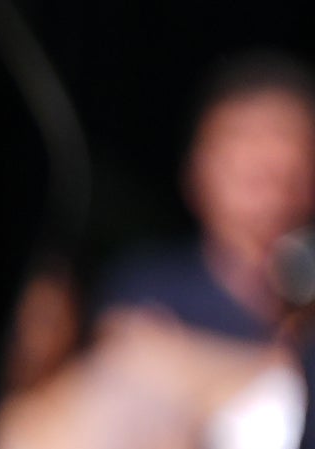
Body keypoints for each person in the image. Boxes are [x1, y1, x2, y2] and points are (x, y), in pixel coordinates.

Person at [100, 53, 315, 351]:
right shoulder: (149, 287)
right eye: (251, 175)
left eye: (290, 141)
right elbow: (127, 360)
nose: (271, 162)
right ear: (195, 173)